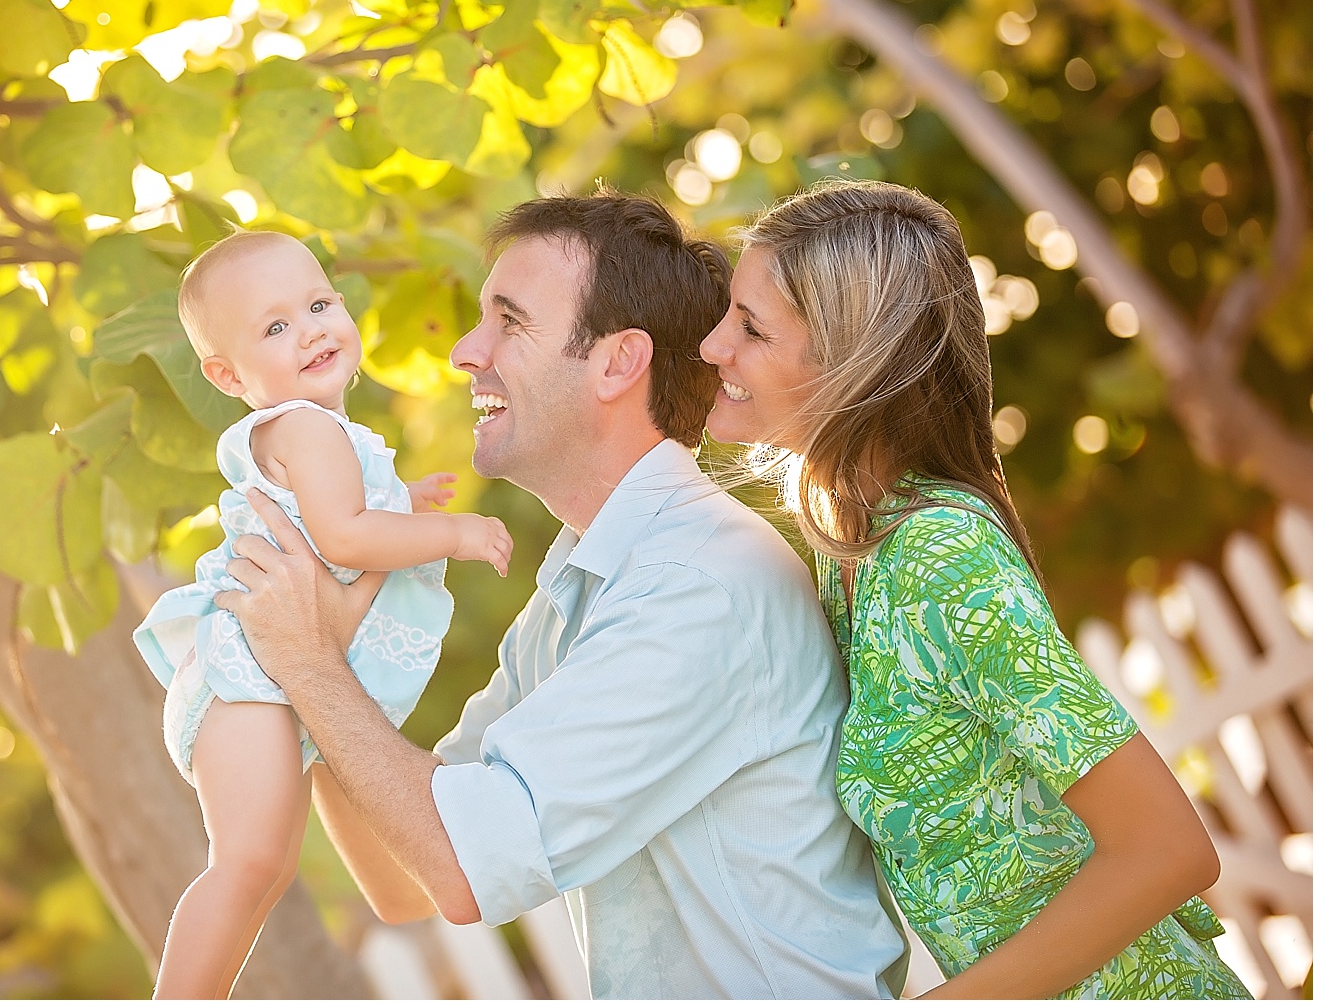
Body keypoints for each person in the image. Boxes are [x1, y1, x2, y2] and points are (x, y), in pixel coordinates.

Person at [216, 191, 909, 998]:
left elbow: (457, 869)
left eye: (509, 321)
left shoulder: (695, 586)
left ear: (617, 362)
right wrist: (317, 650)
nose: (466, 352)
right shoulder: (584, 585)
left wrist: (305, 660)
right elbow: (402, 877)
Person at [699, 178, 1249, 999]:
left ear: (854, 364)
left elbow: (1168, 849)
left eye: (751, 327)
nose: (713, 345)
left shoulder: (939, 558)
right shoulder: (852, 554)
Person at [132, 231, 512, 998]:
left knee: (262, 869)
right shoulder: (302, 427)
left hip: (273, 673)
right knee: (246, 863)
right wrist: (452, 531)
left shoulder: (331, 434)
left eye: (317, 304)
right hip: (252, 673)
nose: (308, 329)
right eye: (274, 327)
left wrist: (401, 504)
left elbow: (339, 529)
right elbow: (342, 535)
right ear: (227, 373)